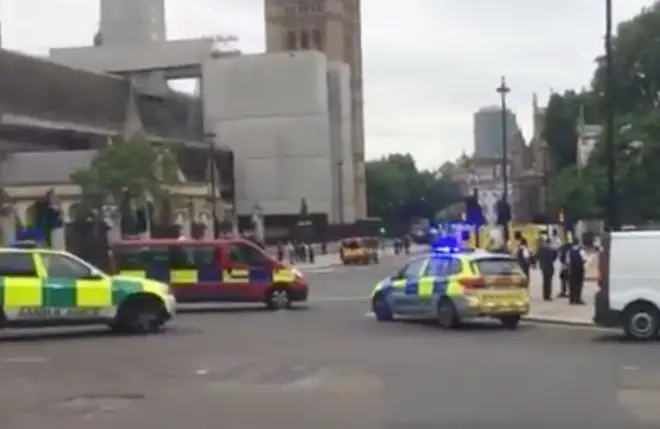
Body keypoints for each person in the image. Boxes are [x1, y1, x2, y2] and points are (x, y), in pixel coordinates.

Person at [567, 238, 587, 305]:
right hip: (579, 269)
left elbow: (568, 261)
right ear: (578, 243)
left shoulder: (569, 251)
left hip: (572, 269)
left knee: (572, 284)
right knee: (579, 284)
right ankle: (578, 299)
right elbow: (584, 260)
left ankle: (572, 299)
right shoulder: (581, 251)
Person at [537, 237, 558, 301]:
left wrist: (541, 262)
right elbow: (555, 256)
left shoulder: (541, 249)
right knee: (549, 282)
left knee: (545, 281)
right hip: (549, 266)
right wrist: (551, 260)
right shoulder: (552, 250)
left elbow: (538, 256)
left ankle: (545, 295)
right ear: (549, 243)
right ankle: (548, 296)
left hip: (543, 266)